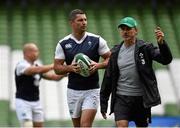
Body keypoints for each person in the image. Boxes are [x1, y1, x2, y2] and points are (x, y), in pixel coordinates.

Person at [100, 17, 173, 127]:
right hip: (121, 98)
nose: (125, 31)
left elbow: (166, 60)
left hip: (141, 99)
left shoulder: (145, 48)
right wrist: (103, 103)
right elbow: (108, 77)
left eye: (128, 29)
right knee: (121, 125)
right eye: (123, 29)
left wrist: (162, 44)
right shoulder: (115, 52)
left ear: (136, 31)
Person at [54, 9, 111, 127]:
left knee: (85, 125)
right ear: (72, 23)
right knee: (77, 126)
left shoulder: (97, 40)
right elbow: (57, 68)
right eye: (80, 20)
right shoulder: (63, 43)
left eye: (85, 20)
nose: (84, 22)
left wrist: (98, 65)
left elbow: (111, 60)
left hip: (92, 90)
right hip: (73, 91)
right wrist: (70, 68)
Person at [15, 43, 66, 128]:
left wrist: (66, 72)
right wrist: (55, 65)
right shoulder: (21, 65)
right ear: (27, 53)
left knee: (39, 126)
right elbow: (35, 70)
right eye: (35, 51)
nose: (37, 53)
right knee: (27, 125)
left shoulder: (36, 66)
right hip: (23, 101)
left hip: (36, 101)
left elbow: (54, 77)